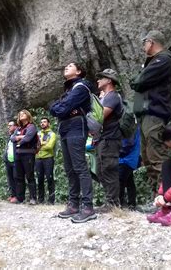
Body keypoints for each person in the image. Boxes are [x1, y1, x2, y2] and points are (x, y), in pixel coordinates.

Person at [130, 30, 171, 195]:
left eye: (144, 43)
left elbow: (139, 81)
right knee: (147, 157)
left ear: (151, 42)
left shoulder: (164, 60)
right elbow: (139, 82)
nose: (143, 47)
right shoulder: (154, 62)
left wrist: (138, 80)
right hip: (147, 113)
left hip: (155, 112)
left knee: (156, 155)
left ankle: (167, 196)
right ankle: (156, 197)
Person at [50, 62, 97, 223]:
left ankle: (88, 207)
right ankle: (73, 205)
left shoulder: (81, 86)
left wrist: (61, 108)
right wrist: (59, 107)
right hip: (65, 128)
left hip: (76, 127)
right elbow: (55, 108)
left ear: (78, 71)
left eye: (70, 66)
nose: (66, 67)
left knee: (80, 167)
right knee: (70, 169)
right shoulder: (70, 89)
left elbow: (62, 109)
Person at [95, 68, 123, 211]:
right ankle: (110, 201)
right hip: (103, 139)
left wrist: (98, 102)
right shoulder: (106, 97)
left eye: (101, 77)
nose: (98, 80)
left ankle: (113, 204)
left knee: (109, 169)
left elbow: (100, 116)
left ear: (109, 80)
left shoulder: (112, 96)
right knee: (101, 171)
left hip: (110, 139)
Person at [11, 110, 37, 205]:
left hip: (28, 154)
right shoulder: (18, 128)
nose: (21, 115)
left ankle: (33, 198)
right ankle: (20, 198)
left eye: (23, 113)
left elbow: (28, 138)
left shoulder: (32, 127)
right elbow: (12, 138)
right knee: (19, 177)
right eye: (20, 114)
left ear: (28, 115)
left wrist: (19, 139)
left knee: (30, 176)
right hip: (18, 154)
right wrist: (21, 137)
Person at [35, 117, 57, 204]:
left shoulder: (52, 134)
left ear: (48, 123)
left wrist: (40, 145)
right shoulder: (38, 133)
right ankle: (40, 200)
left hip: (48, 158)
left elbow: (50, 146)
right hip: (38, 158)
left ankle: (51, 200)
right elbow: (34, 145)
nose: (42, 123)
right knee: (39, 179)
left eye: (44, 122)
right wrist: (43, 144)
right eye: (41, 122)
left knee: (49, 178)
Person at [119, 127, 141, 210]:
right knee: (129, 181)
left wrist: (116, 150)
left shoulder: (128, 123)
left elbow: (127, 144)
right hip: (131, 158)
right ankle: (132, 204)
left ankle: (119, 204)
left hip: (126, 159)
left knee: (120, 181)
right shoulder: (133, 123)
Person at [4, 120, 18, 203]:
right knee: (10, 178)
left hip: (15, 160)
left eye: (10, 125)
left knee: (16, 178)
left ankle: (17, 196)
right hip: (8, 160)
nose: (9, 127)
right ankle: (13, 195)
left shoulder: (17, 135)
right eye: (8, 125)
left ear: (15, 126)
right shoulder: (10, 136)